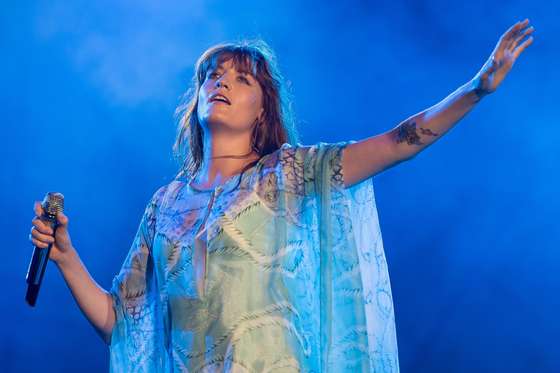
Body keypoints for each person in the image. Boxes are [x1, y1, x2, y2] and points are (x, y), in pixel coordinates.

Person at [29, 19, 534, 372]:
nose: (220, 83)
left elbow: (397, 142)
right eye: (212, 76)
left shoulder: (289, 173)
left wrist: (475, 89)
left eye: (240, 78)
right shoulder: (165, 204)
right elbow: (122, 324)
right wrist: (67, 258)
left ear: (263, 109)